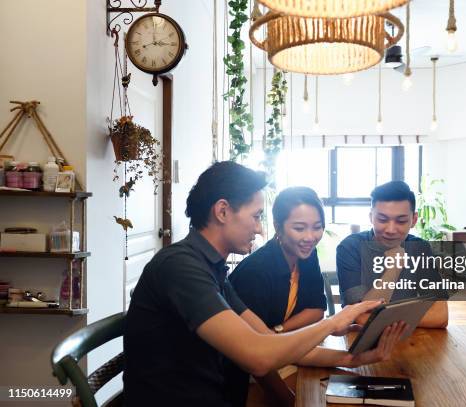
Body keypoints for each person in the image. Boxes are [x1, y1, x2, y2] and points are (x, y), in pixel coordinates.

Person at [124, 161, 407, 407]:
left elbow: (269, 343)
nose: (260, 228)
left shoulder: (211, 269)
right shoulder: (182, 268)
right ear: (222, 212)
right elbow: (258, 358)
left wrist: (352, 358)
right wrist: (333, 323)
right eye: (256, 216)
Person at [228, 187, 327, 405]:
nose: (310, 237)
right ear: (278, 227)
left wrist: (279, 332)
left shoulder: (306, 255)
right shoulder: (256, 272)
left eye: (317, 227)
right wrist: (289, 402)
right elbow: (255, 358)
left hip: (280, 351)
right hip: (243, 374)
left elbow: (317, 309)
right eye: (299, 228)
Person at [336, 180, 449, 327]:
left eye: (401, 221)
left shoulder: (419, 248)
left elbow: (440, 315)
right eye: (382, 219)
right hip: (360, 340)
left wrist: (382, 319)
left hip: (409, 338)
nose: (390, 229)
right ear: (371, 217)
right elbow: (360, 318)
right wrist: (393, 269)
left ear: (414, 220)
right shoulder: (350, 248)